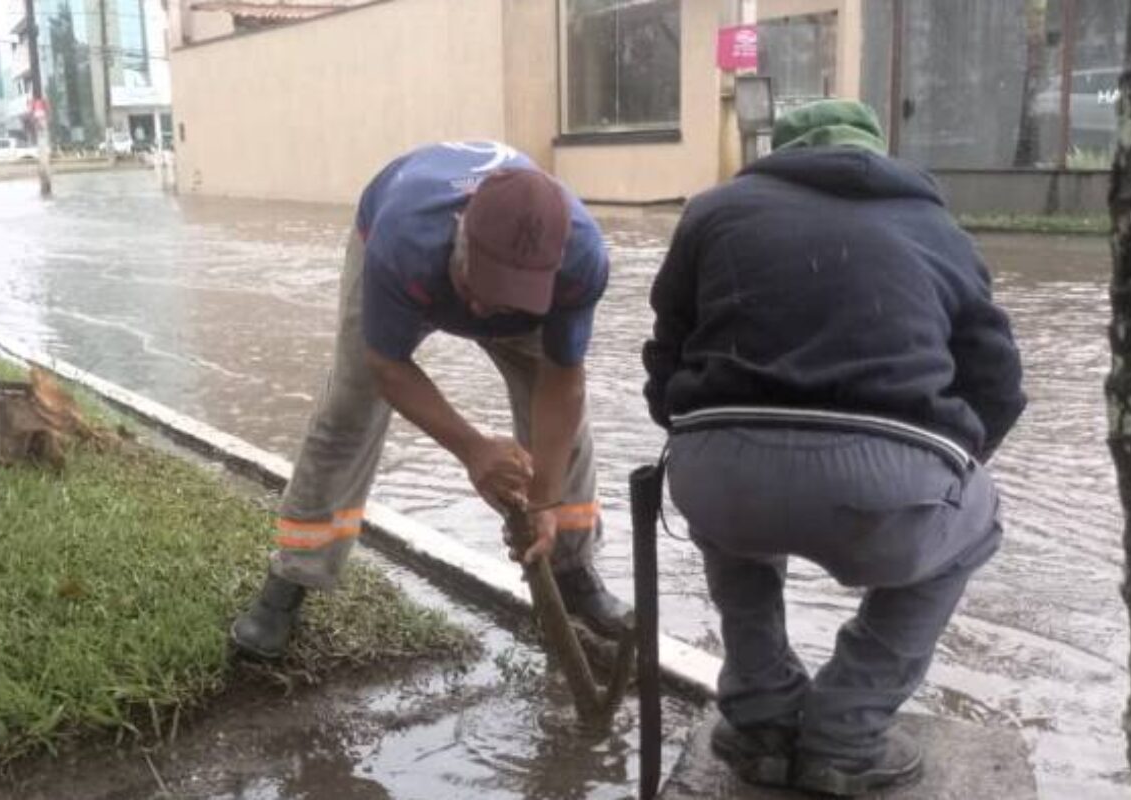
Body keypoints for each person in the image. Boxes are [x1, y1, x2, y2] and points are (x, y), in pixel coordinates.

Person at [642, 100, 1025, 796]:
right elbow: (998, 382)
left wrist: (707, 442)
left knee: (735, 528)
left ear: (781, 154)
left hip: (722, 471)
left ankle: (760, 717)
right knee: (979, 524)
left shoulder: (713, 211)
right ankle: (844, 736)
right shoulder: (940, 229)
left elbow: (666, 352)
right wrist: (946, 475)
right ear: (879, 154)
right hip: (889, 481)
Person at [231, 141, 629, 660]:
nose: (485, 308)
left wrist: (547, 498)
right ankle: (290, 581)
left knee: (564, 429)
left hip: (516, 287)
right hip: (410, 264)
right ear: (460, 232)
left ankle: (571, 572)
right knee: (347, 408)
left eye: (508, 295)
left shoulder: (580, 258)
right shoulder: (405, 242)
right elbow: (387, 367)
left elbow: (563, 381)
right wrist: (473, 450)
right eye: (481, 286)